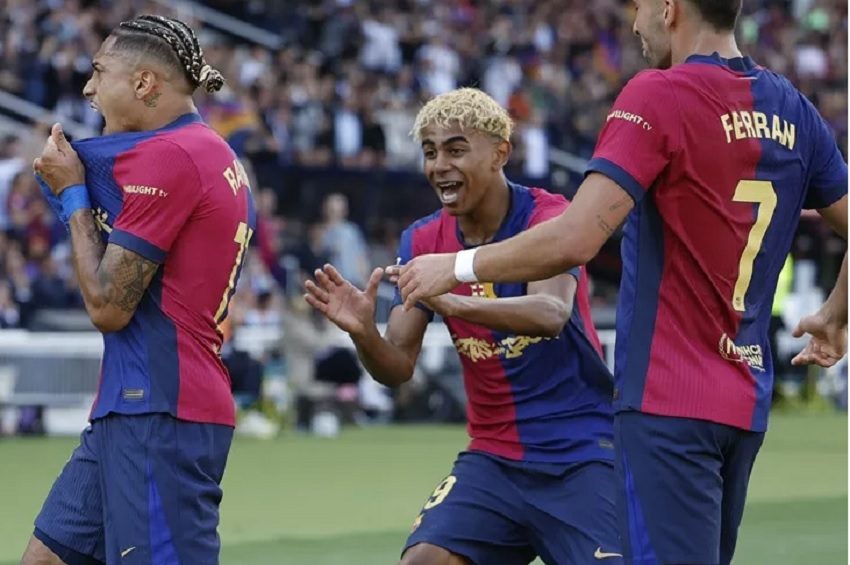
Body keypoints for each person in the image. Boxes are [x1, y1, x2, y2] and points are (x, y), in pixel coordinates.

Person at [395, 2, 848, 564]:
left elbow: (577, 238)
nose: (633, 24)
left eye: (636, 7)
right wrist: (837, 311)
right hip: (744, 402)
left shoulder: (657, 94)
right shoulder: (795, 110)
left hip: (666, 402)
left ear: (669, 8)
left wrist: (457, 267)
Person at [305, 88, 622, 564]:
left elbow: (550, 314)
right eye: (430, 152)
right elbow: (397, 367)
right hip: (493, 459)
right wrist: (364, 332)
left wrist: (453, 300)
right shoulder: (422, 238)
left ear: (500, 153)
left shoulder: (547, 217)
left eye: (456, 149)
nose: (439, 165)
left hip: (580, 449)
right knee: (424, 561)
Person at [23, 14, 255, 565]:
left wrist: (75, 197)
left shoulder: (169, 157)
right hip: (132, 410)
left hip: (162, 412)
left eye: (99, 73)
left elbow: (108, 306)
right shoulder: (206, 151)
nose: (88, 88)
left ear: (145, 83)